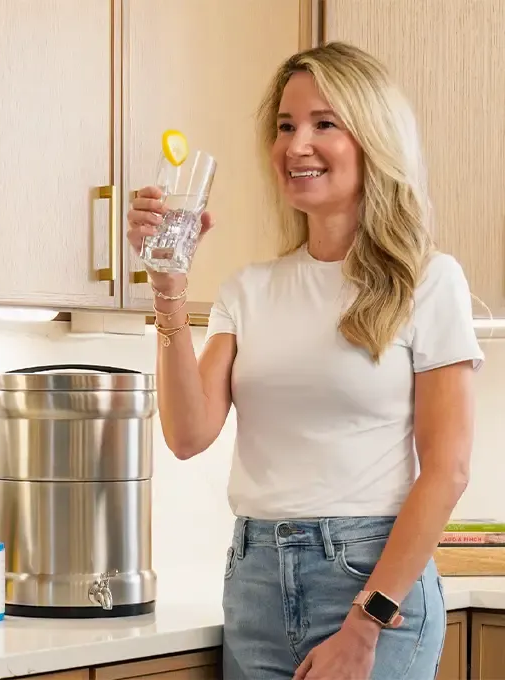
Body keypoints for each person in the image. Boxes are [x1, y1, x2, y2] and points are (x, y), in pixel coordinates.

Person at [127, 41, 484, 680]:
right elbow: (186, 434)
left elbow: (448, 471)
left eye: (325, 123)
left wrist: (365, 623)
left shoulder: (427, 281)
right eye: (286, 126)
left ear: (372, 139)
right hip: (255, 579)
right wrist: (167, 282)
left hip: (373, 583)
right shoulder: (249, 289)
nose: (297, 145)